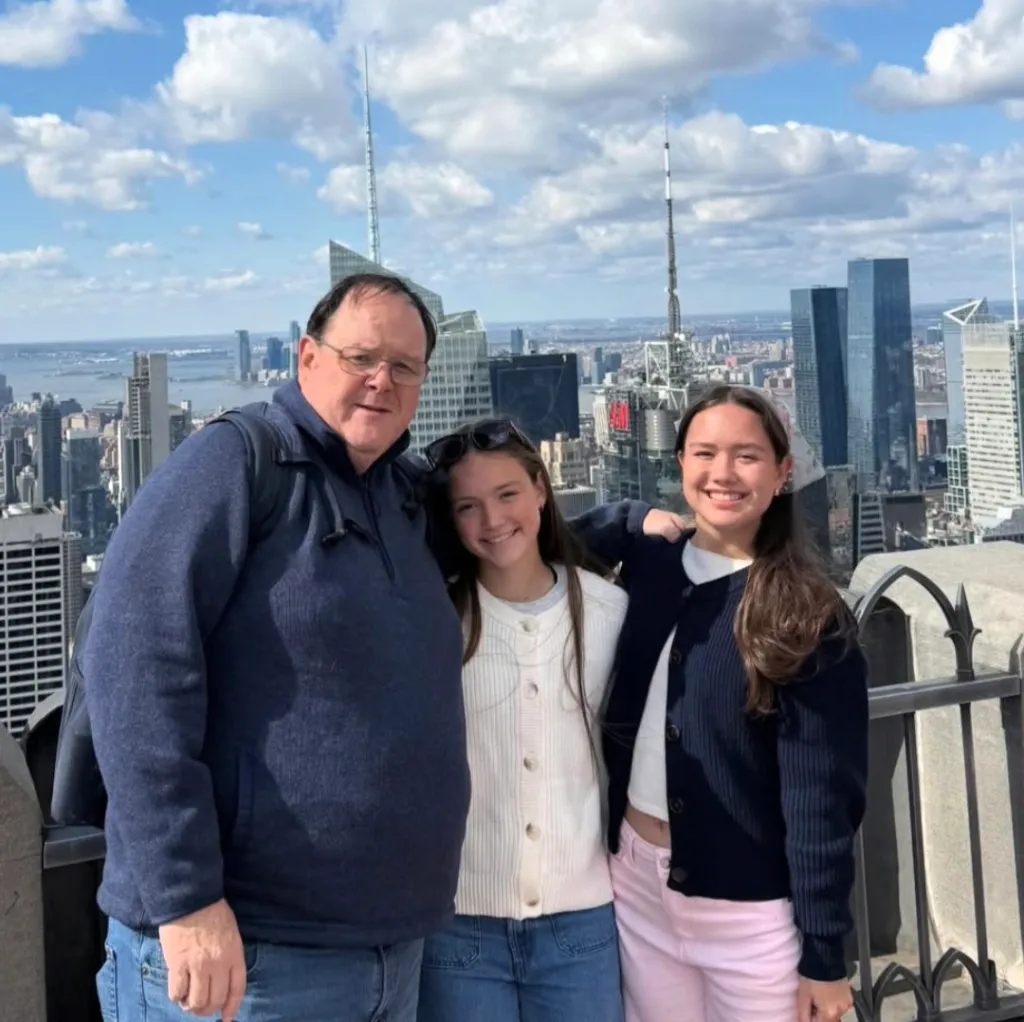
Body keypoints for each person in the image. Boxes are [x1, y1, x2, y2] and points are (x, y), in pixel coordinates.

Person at [84, 273, 473, 1022]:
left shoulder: (401, 495)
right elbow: (131, 670)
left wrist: (631, 528)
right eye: (362, 357)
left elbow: (507, 535)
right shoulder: (233, 463)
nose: (382, 380)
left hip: (391, 951)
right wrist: (186, 899)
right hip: (245, 957)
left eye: (405, 366)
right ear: (307, 358)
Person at [576, 384, 869, 1022]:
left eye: (747, 456)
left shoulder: (806, 615)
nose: (723, 473)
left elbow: (821, 799)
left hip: (751, 915)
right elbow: (535, 543)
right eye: (705, 453)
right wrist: (627, 519)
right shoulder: (651, 565)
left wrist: (823, 957)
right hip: (634, 886)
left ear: (782, 472)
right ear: (679, 461)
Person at [416, 420, 629, 1022]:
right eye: (468, 506)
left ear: (540, 488)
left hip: (582, 922)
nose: (492, 519)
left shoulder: (610, 611)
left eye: (507, 494)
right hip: (458, 926)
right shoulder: (437, 621)